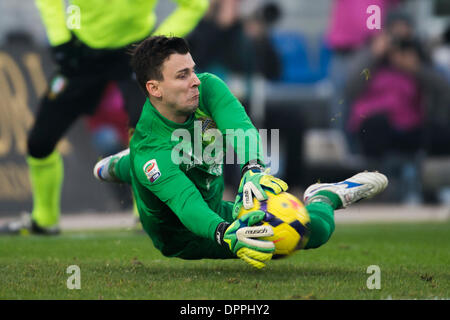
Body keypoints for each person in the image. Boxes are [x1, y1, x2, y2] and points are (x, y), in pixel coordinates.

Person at [92, 36, 388, 269]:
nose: (195, 80)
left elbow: (240, 127)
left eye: (192, 69)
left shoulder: (206, 87)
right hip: (183, 233)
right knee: (292, 240)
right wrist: (225, 233)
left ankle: (322, 194)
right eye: (182, 75)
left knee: (305, 229)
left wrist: (252, 168)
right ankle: (326, 199)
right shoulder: (151, 151)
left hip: (210, 201)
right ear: (154, 88)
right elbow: (186, 205)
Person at [0, 0, 209, 235]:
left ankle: (146, 216)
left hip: (135, 52)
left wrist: (156, 45)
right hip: (83, 53)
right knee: (39, 142)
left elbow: (195, 4)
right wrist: (60, 39)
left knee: (147, 135)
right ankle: (44, 220)